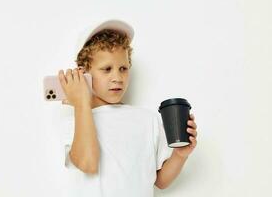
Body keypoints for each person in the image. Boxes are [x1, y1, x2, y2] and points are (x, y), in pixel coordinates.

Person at [58, 19, 198, 197]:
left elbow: (160, 181)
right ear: (83, 73)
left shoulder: (148, 119)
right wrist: (81, 103)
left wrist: (180, 155)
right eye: (106, 69)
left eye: (123, 68)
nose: (117, 77)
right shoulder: (77, 121)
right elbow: (88, 163)